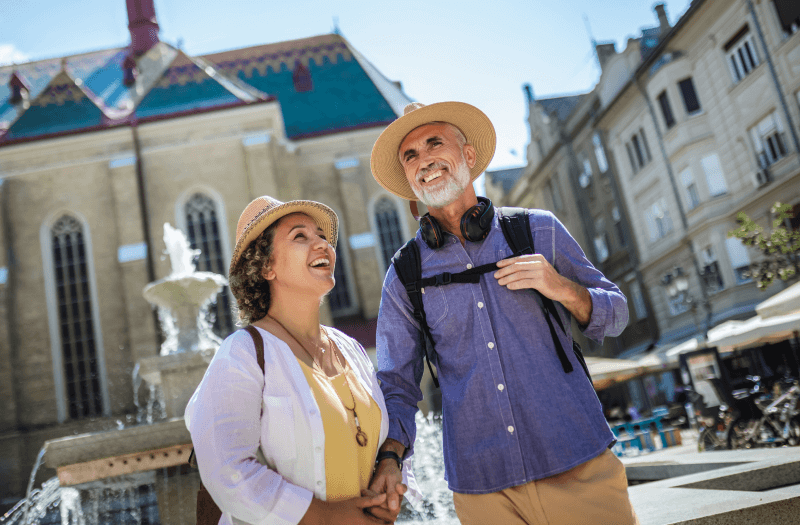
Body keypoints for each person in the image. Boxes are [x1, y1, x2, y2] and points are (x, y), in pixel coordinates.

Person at [367, 102, 639, 524]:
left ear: (469, 156)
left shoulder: (537, 229)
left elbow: (617, 313)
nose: (424, 160)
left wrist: (561, 287)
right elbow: (396, 384)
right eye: (411, 156)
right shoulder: (404, 274)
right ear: (408, 179)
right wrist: (389, 457)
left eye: (434, 143)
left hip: (578, 460)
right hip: (483, 489)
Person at [185, 195, 419, 525]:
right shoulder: (243, 353)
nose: (322, 244)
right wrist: (326, 516)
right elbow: (226, 470)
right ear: (266, 266)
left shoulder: (350, 348)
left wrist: (391, 476)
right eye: (300, 236)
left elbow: (372, 445)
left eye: (322, 235)